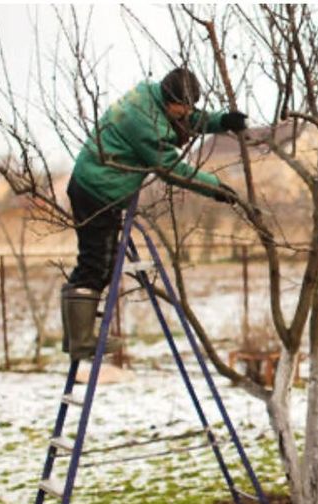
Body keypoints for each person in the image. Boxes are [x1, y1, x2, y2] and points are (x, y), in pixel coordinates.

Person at [62, 67, 246, 360]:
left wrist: (221, 121)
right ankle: (81, 340)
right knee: (97, 265)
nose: (187, 113)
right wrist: (216, 188)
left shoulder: (150, 95)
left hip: (93, 184)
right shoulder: (147, 126)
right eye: (183, 107)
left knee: (93, 262)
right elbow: (173, 170)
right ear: (170, 99)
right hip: (98, 191)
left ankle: (74, 337)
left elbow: (182, 120)